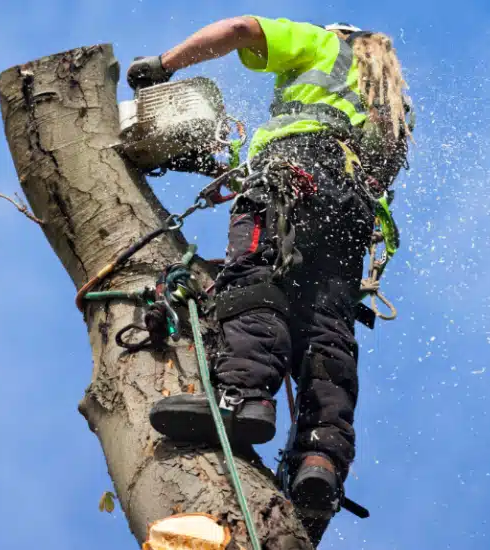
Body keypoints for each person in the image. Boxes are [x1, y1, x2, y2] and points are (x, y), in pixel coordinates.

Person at [127, 16, 413, 520]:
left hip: (292, 173)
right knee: (327, 328)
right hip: (350, 211)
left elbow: (242, 28)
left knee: (255, 282)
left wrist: (162, 65)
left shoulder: (325, 43)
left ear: (342, 34)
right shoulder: (390, 101)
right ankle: (321, 458)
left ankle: (243, 397)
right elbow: (359, 163)